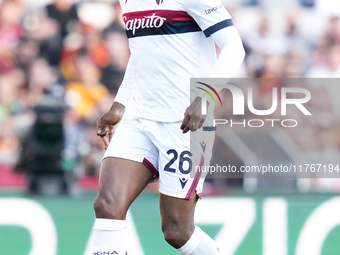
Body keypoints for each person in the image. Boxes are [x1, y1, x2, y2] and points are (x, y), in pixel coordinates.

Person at [92, 0, 245, 254]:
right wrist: (120, 103)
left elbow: (234, 47)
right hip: (139, 119)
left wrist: (205, 96)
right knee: (107, 205)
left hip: (185, 123)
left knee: (177, 232)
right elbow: (141, 52)